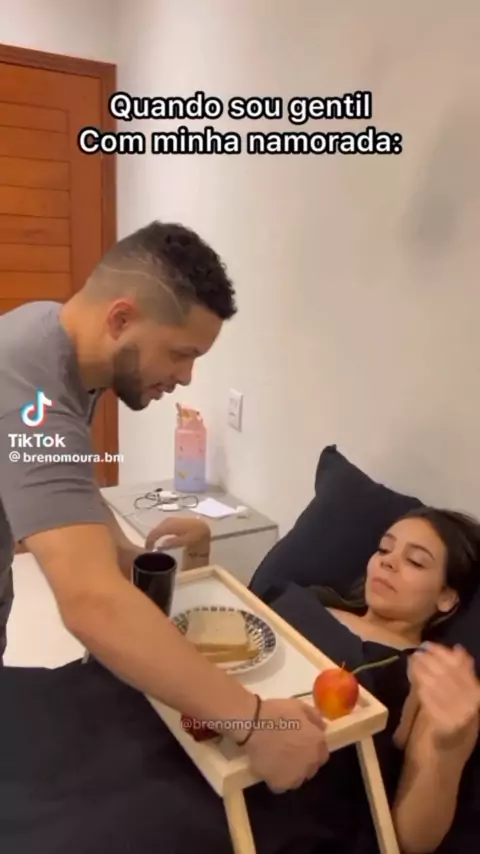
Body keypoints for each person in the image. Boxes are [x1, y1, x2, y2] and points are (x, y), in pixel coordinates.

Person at [0, 220, 329, 793]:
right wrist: (255, 722)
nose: (185, 377)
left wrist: (117, 548)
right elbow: (90, 603)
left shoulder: (54, 338)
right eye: (180, 354)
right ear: (121, 319)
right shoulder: (32, 392)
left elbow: (65, 479)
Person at [146, 505, 480, 853]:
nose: (389, 562)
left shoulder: (428, 676)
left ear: (447, 597)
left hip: (254, 799)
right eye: (384, 549)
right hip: (181, 722)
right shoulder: (315, 597)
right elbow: (221, 638)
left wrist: (450, 750)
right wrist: (198, 556)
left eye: (416, 562)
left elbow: (412, 839)